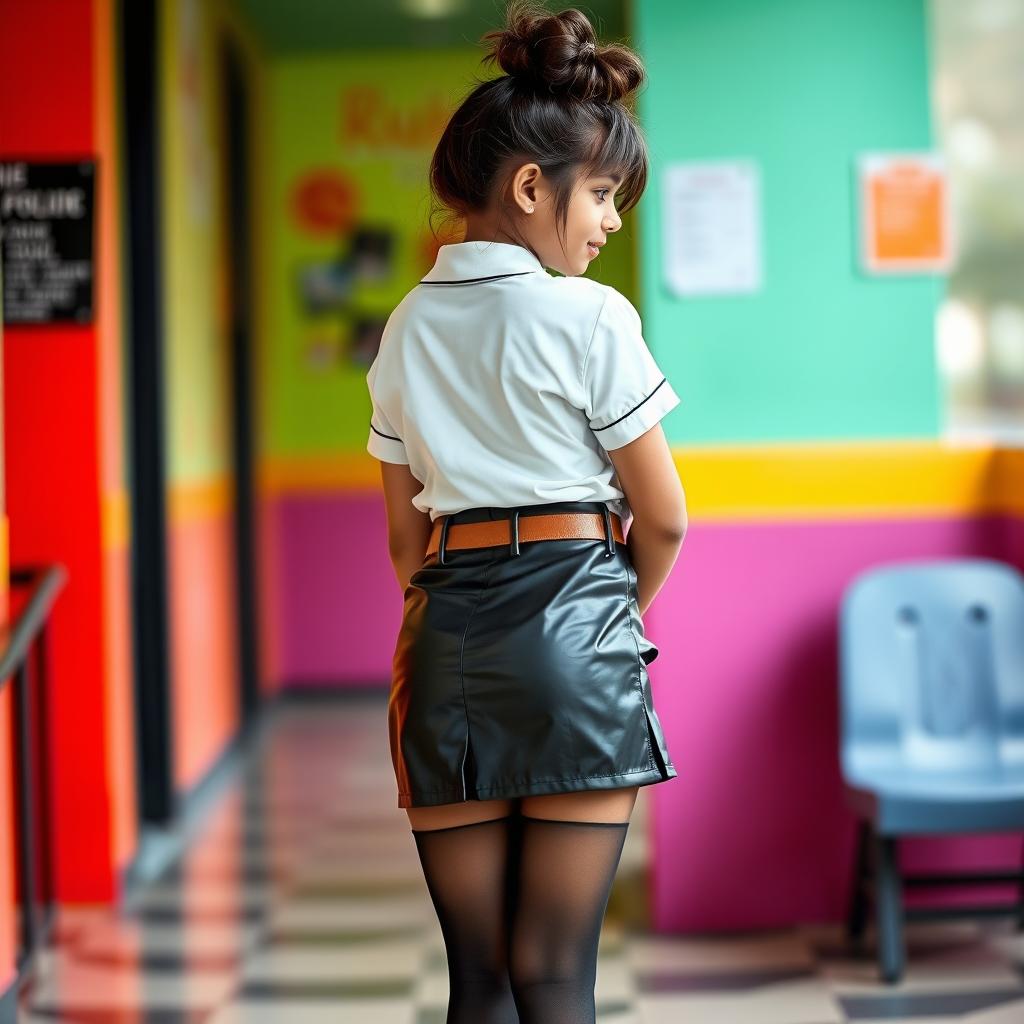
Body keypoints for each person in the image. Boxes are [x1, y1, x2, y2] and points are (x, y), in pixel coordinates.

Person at [364, 2, 687, 1020]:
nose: (610, 221)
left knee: (480, 979)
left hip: (445, 643)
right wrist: (610, 615)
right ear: (530, 185)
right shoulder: (590, 316)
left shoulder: (405, 327)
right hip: (575, 630)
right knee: (556, 973)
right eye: (600, 195)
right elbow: (665, 516)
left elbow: (404, 541)